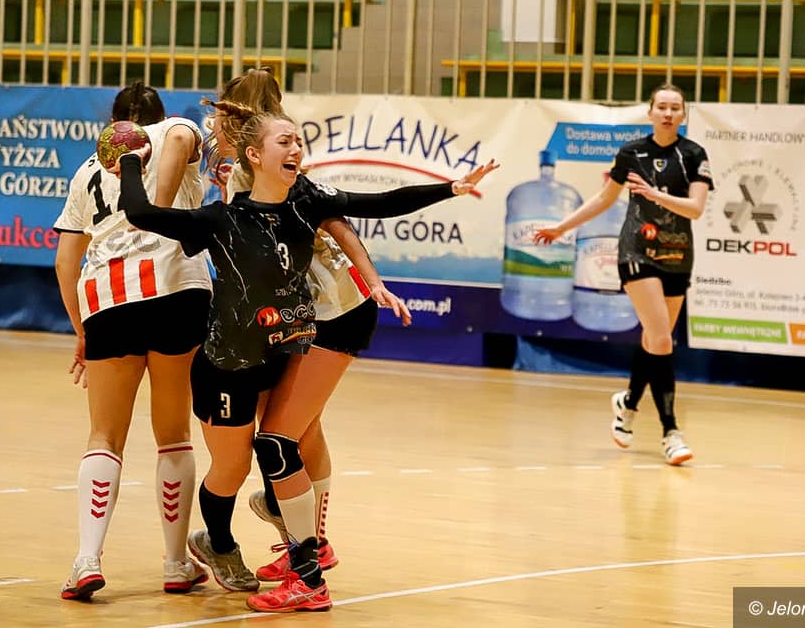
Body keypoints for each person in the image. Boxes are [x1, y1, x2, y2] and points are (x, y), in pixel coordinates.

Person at [111, 102, 498, 611]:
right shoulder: (222, 218)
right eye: (284, 141)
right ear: (254, 155)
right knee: (233, 467)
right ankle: (225, 544)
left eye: (298, 140)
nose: (296, 148)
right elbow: (142, 214)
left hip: (277, 354)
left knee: (278, 448)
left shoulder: (306, 201)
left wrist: (451, 188)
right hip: (225, 367)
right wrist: (132, 161)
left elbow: (380, 202)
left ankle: (308, 574)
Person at [204, 67, 408, 585]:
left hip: (333, 311)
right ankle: (306, 535)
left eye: (217, 121)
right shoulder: (259, 168)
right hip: (309, 314)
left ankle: (310, 551)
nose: (211, 130)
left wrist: (373, 282)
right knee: (304, 425)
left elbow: (339, 222)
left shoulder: (256, 173)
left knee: (278, 439)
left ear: (235, 124)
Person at [53, 82, 211, 599]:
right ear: (157, 116)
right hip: (176, 290)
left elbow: (65, 262)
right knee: (174, 432)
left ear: (111, 123)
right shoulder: (173, 130)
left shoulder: (86, 170)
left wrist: (81, 331)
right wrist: (159, 214)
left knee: (104, 436)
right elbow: (183, 137)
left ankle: (86, 559)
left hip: (107, 299)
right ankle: (175, 563)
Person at [534, 83, 712, 466]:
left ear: (683, 115)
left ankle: (628, 404)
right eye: (661, 107)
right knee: (662, 338)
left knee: (654, 339)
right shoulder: (632, 153)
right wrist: (562, 227)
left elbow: (695, 209)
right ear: (650, 112)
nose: (668, 113)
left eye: (675, 108)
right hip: (637, 252)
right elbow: (604, 198)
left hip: (677, 254)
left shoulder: (694, 155)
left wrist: (655, 194)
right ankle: (671, 432)